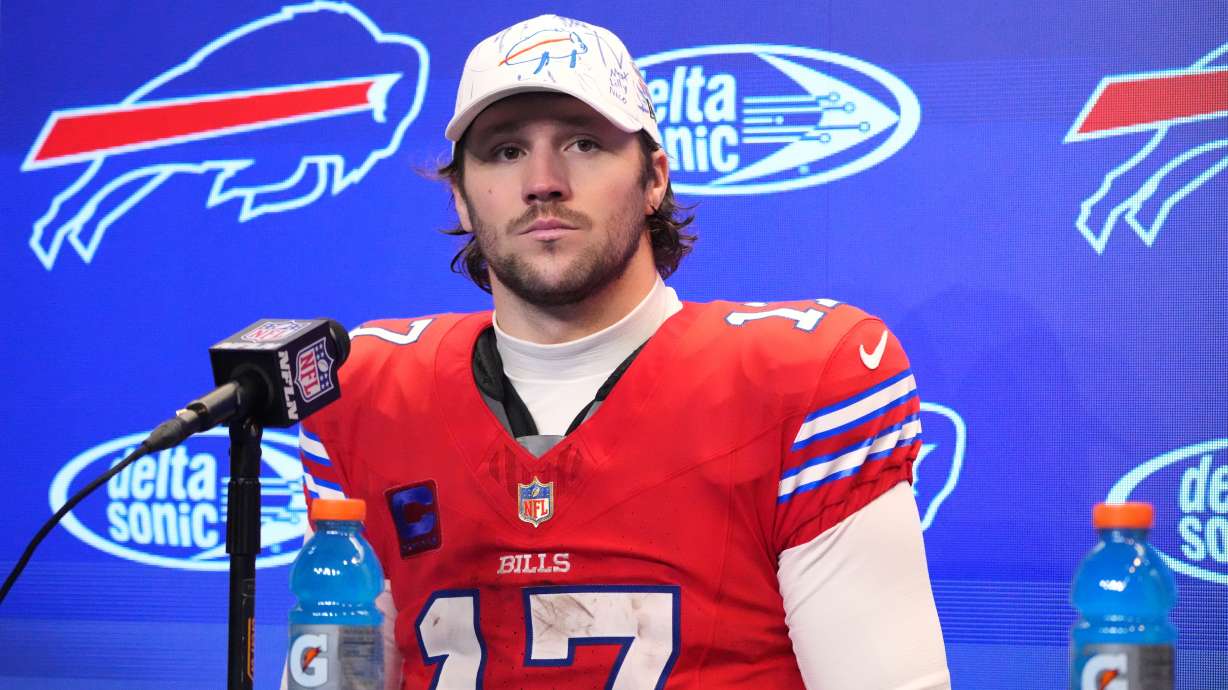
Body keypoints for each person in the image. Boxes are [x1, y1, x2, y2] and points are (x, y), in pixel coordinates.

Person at [294, 14, 950, 689]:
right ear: (460, 196)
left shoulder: (799, 381)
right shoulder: (366, 392)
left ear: (654, 178)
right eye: (505, 151)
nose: (543, 181)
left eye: (583, 143)